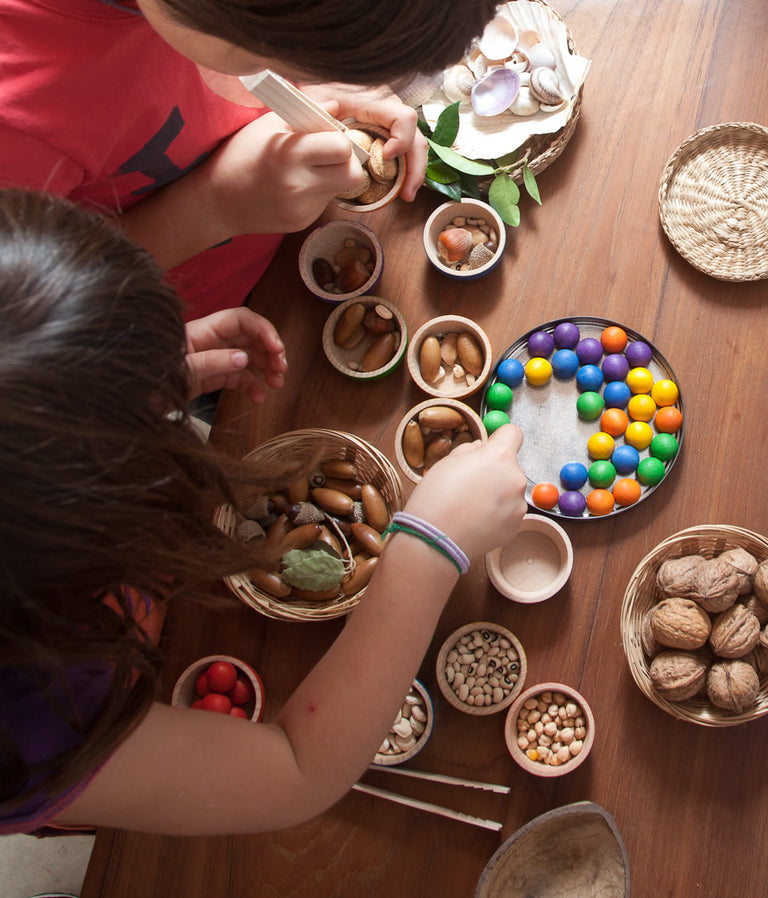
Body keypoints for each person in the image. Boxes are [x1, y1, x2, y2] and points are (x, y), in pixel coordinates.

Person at [0, 188, 527, 835]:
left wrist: (126, 374)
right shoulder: (30, 722)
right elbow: (296, 771)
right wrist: (429, 545)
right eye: (149, 429)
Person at [0, 0, 500, 319]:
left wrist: (325, 85)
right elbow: (25, 320)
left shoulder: (222, 22)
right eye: (277, 62)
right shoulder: (20, 109)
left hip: (286, 259)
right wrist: (211, 206)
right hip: (183, 323)